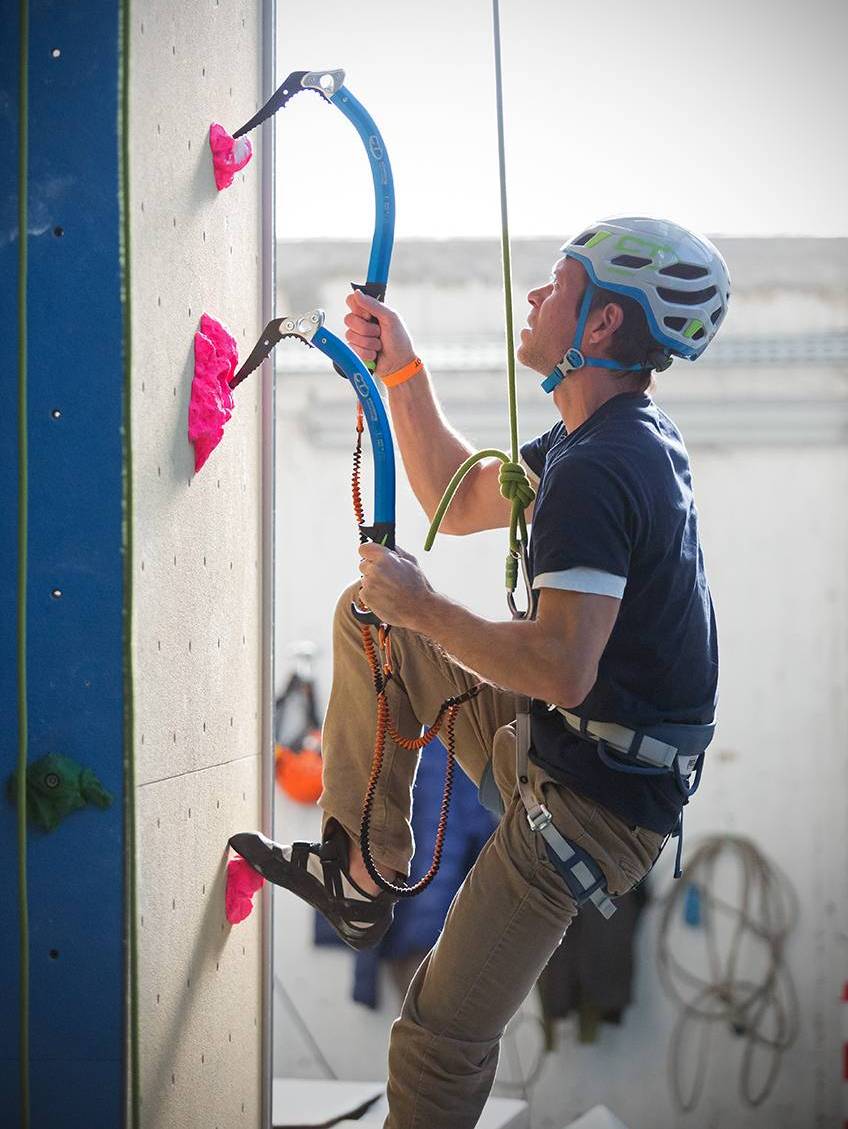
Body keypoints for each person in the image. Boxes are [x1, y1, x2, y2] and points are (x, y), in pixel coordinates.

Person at [231, 216, 730, 1128]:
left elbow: (562, 666)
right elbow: (455, 495)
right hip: (572, 750)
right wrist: (400, 370)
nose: (537, 296)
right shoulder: (601, 438)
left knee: (436, 1038)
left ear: (605, 325)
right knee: (370, 620)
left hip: (590, 803)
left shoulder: (606, 465)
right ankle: (364, 867)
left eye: (559, 284)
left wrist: (426, 606)